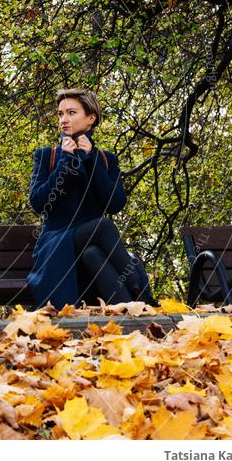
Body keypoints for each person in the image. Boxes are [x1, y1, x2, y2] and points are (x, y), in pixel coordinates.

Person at [26, 88, 155, 308]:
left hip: (90, 245)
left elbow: (115, 204)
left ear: (91, 118)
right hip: (56, 242)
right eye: (60, 114)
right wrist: (64, 163)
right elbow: (39, 203)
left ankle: (134, 315)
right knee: (103, 226)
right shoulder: (48, 156)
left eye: (71, 112)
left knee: (93, 254)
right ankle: (144, 293)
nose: (63, 119)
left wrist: (91, 159)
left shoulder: (106, 160)